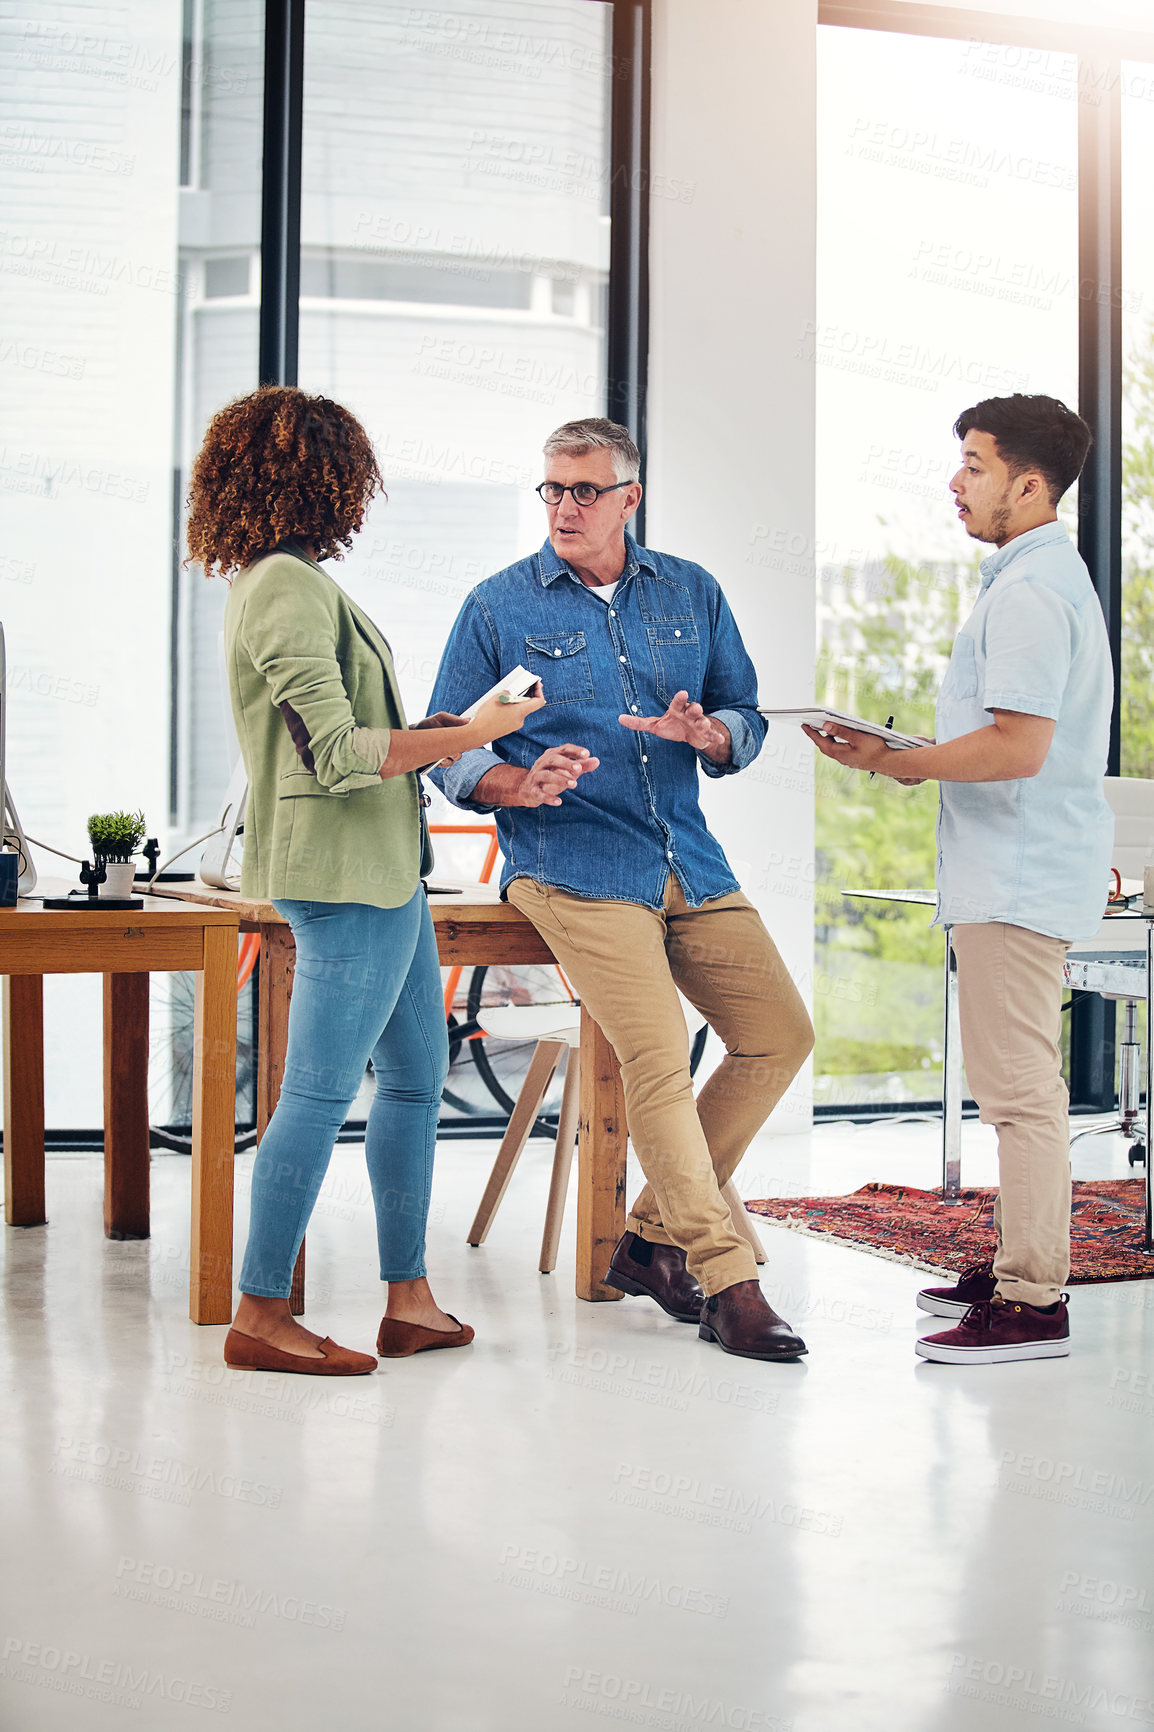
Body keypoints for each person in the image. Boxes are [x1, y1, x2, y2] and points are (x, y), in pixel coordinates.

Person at [427, 417, 814, 1363]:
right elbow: (448, 742)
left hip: (688, 858)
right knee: (657, 1058)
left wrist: (714, 737)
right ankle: (729, 1280)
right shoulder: (498, 605)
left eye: (584, 490)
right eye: (552, 489)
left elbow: (744, 713)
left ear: (628, 498)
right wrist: (512, 781)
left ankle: (645, 1239)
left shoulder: (691, 591)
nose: (564, 506)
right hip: (572, 866)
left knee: (779, 1036)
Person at [186, 385, 542, 1375]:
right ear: (319, 477)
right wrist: (472, 736)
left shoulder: (283, 582)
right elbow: (336, 756)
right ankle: (260, 1313)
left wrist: (443, 735)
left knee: (417, 1084)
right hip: (345, 877)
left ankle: (409, 1299)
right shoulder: (286, 588)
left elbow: (336, 743)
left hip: (383, 871)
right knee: (313, 1094)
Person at [807, 393, 1112, 1365]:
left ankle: (1031, 1300)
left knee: (1019, 1091)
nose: (954, 483)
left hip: (1015, 873)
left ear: (1028, 484)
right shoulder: (1035, 578)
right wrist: (896, 750)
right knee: (1011, 1084)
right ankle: (1022, 1263)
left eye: (973, 466)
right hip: (1013, 868)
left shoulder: (1027, 590)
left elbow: (1017, 747)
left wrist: (892, 762)